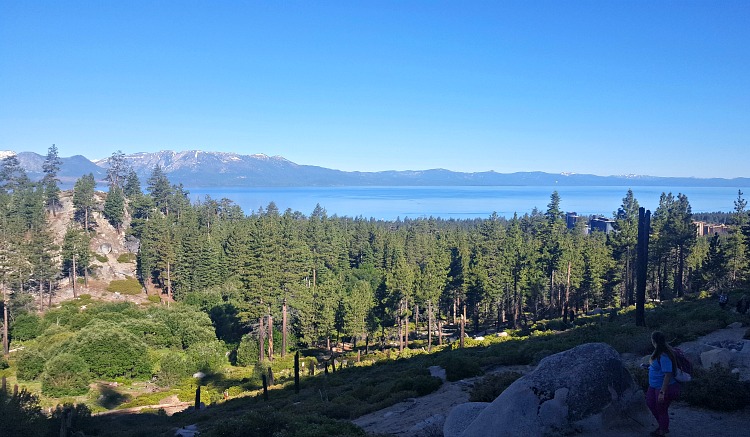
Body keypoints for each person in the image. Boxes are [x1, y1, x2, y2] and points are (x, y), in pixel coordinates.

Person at [645, 331, 681, 436]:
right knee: (650, 403)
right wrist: (649, 367)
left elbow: (668, 374)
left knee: (661, 410)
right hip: (654, 385)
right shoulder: (658, 351)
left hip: (664, 387)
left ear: (654, 341)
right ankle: (662, 426)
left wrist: (662, 392)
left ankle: (662, 431)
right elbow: (658, 367)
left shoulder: (664, 355)